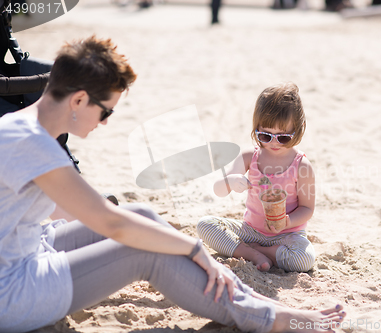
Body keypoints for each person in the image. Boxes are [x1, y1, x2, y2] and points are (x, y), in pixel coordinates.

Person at [0, 36, 346, 332]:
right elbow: (110, 222)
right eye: (106, 111)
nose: (104, 123)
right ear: (78, 100)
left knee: (143, 215)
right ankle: (271, 318)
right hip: (13, 289)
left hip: (29, 247)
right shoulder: (34, 145)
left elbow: (83, 212)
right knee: (145, 249)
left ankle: (247, 296)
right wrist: (194, 250)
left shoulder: (17, 127)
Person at [197, 82, 317, 273]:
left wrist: (286, 222)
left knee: (304, 259)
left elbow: (307, 208)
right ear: (256, 128)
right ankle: (255, 253)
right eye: (265, 136)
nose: (274, 143)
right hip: (251, 231)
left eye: (283, 137)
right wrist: (231, 181)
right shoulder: (249, 157)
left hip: (286, 236)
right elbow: (218, 190)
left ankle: (255, 251)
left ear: (299, 128)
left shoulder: (301, 166)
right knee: (205, 225)